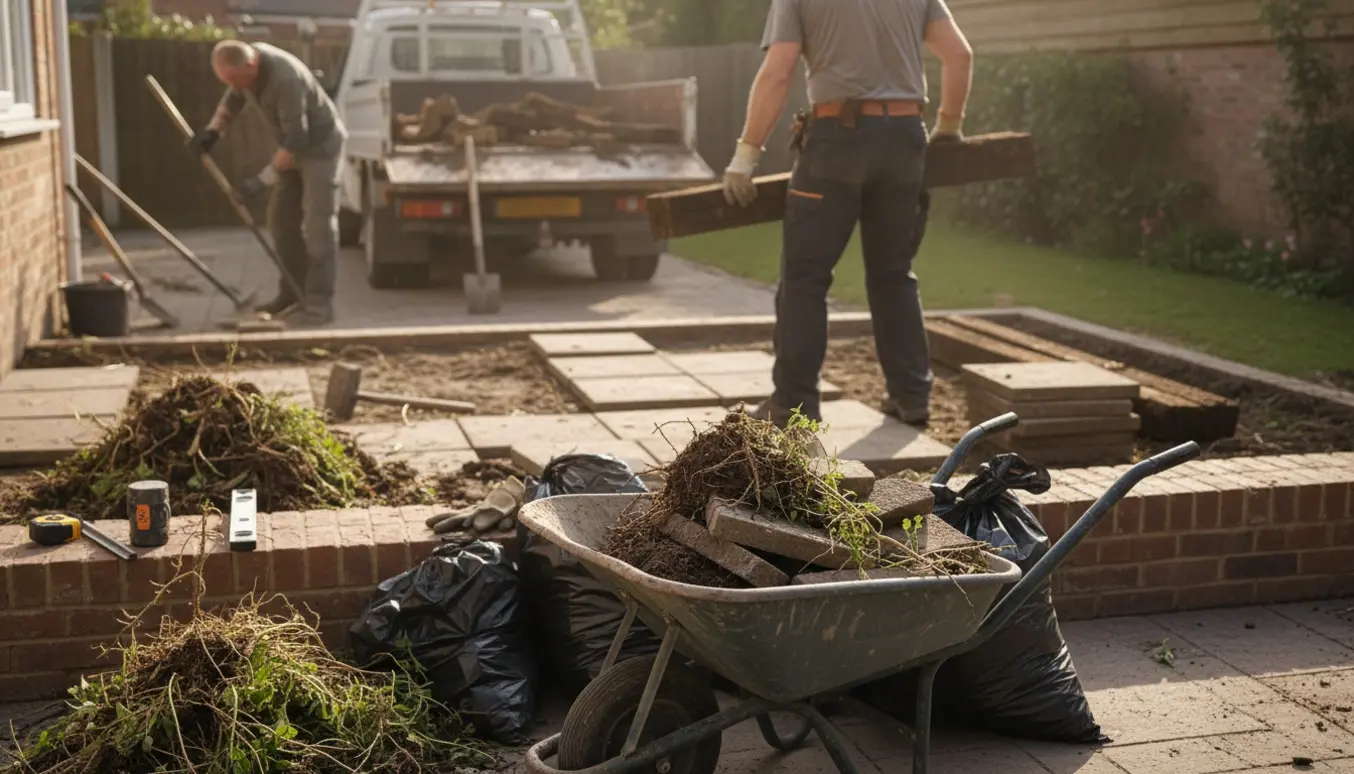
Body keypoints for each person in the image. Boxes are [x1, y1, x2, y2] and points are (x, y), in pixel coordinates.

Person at [723, 0, 974, 428]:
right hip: (905, 139)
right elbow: (959, 55)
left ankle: (794, 406)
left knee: (805, 278)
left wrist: (745, 155)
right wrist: (948, 127)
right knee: (893, 272)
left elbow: (778, 71)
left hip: (838, 139)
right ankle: (912, 397)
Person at [189, 40, 348, 327]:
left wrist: (260, 182)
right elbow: (232, 99)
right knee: (280, 221)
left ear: (252, 66)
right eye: (229, 81)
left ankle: (319, 304)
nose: (236, 86)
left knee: (318, 224)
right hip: (291, 146)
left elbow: (297, 140)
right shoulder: (244, 71)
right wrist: (212, 132)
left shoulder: (284, 79)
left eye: (237, 80)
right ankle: (291, 294)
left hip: (319, 148)